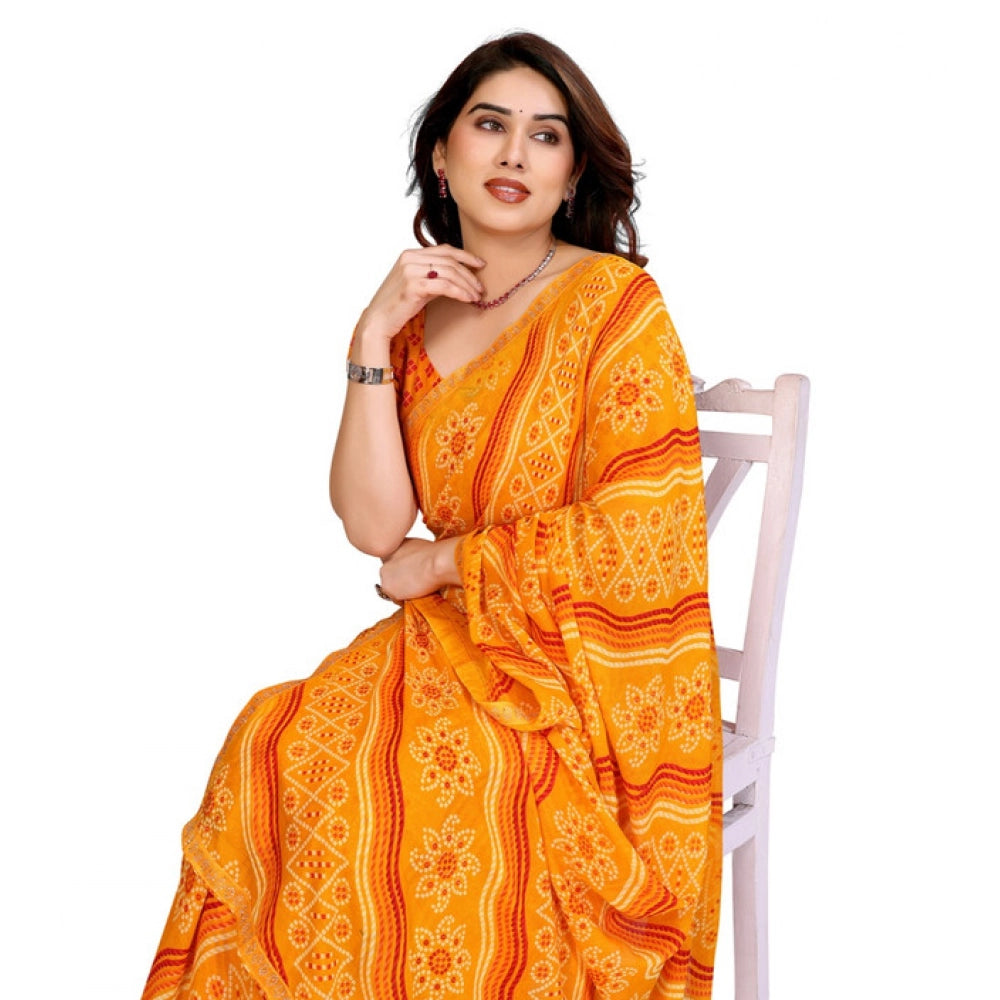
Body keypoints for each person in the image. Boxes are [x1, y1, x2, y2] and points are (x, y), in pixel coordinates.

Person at [142, 31, 722, 1000]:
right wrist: (372, 334)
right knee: (271, 742)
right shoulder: (418, 320)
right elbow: (375, 530)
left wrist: (447, 560)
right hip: (448, 649)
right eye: (489, 125)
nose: (513, 153)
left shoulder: (616, 305)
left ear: (572, 173)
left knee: (442, 786)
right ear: (443, 156)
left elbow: (643, 534)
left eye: (545, 135)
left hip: (577, 673)